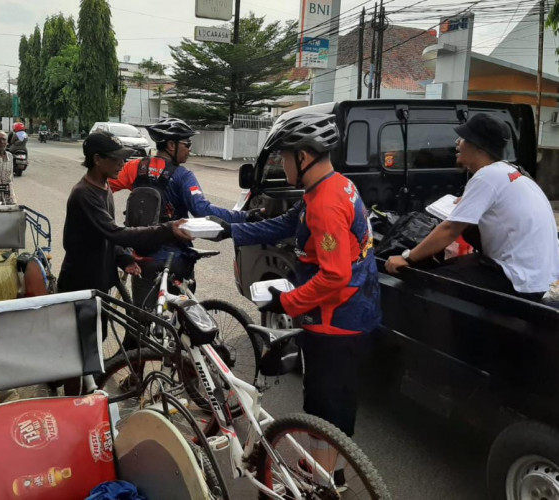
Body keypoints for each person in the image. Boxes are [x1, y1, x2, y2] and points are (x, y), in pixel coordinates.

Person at [213, 113, 381, 446]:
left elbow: (334, 274)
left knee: (326, 412)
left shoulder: (326, 204)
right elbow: (285, 224)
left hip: (336, 321)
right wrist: (230, 230)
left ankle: (326, 482)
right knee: (329, 404)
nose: (282, 165)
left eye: (284, 158)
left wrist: (285, 301)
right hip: (350, 309)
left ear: (303, 157)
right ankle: (331, 473)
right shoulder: (332, 185)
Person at [385, 113, 559, 300]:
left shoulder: (487, 176)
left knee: (429, 283)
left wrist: (407, 257)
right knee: (458, 264)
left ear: (478, 146)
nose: (457, 142)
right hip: (540, 276)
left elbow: (450, 229)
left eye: (463, 138)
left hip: (520, 280)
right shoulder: (511, 173)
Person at [109, 117, 260, 308]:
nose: (190, 149)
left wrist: (112, 228)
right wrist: (244, 216)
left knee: (143, 317)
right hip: (174, 258)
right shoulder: (182, 176)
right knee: (179, 315)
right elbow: (202, 209)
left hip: (142, 256)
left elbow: (104, 189)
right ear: (171, 145)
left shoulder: (135, 167)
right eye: (187, 144)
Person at [57, 130, 193, 296]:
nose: (122, 163)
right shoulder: (84, 194)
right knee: (89, 323)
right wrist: (168, 229)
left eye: (123, 158)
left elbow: (105, 235)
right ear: (97, 159)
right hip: (80, 285)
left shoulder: (104, 187)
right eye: (116, 158)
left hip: (100, 280)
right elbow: (115, 233)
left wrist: (124, 259)